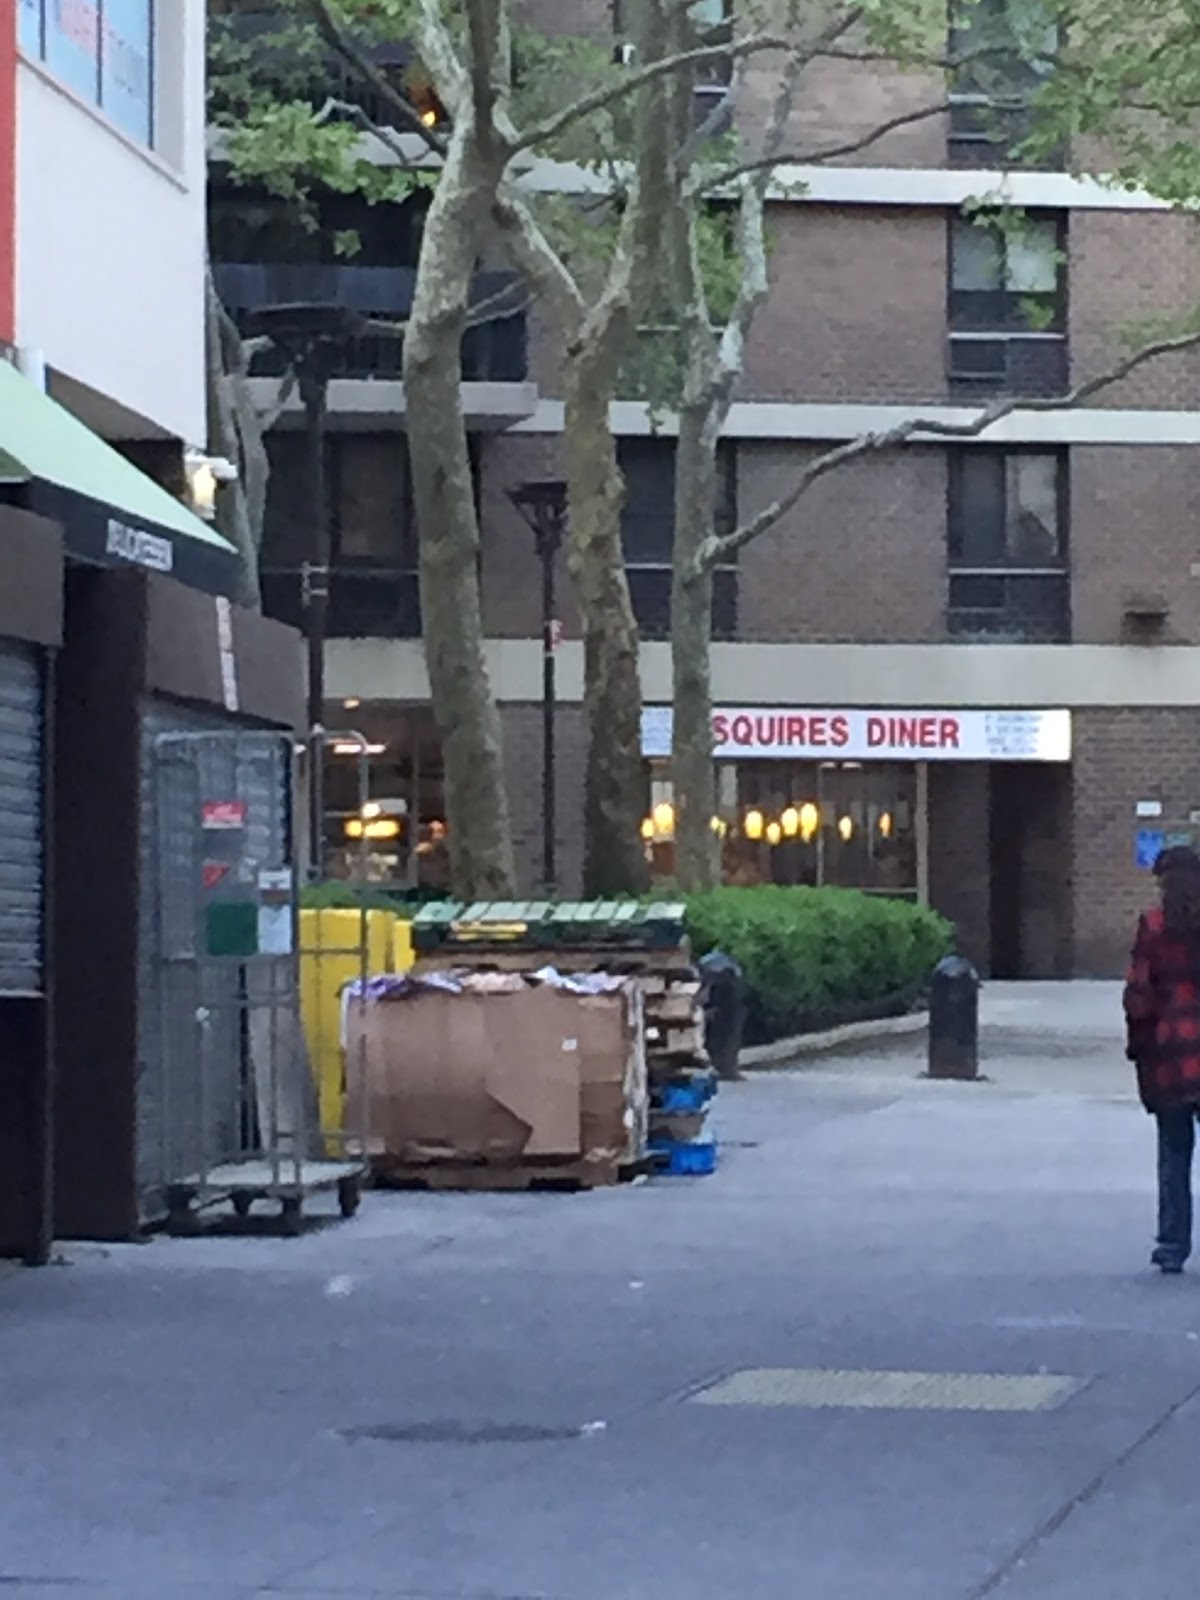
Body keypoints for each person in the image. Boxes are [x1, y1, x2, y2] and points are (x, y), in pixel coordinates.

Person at [1123, 844, 1200, 1273]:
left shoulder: (1154, 925)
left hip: (1172, 1053)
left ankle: (1172, 1244)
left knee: (1173, 1153)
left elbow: (1140, 995)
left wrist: (1139, 1045)